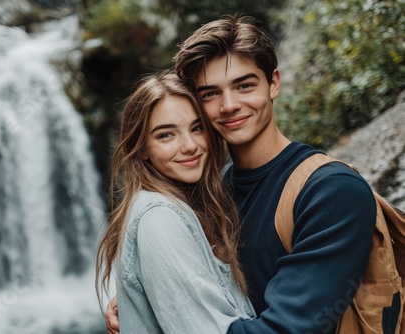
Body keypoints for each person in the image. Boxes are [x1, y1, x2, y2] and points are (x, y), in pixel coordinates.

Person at [105, 15, 376, 333]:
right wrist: (146, 295)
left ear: (273, 83)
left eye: (244, 85)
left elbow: (289, 329)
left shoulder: (331, 192)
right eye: (210, 93)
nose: (229, 105)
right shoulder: (210, 192)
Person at [95, 69, 256, 334]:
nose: (190, 145)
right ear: (143, 149)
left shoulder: (198, 203)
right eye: (166, 135)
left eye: (196, 128)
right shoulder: (159, 218)